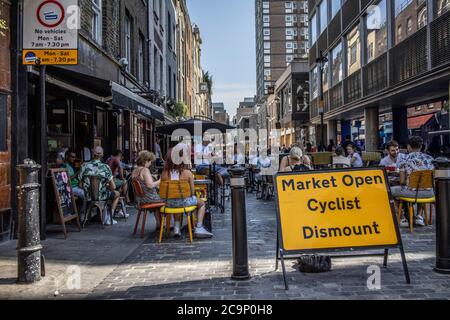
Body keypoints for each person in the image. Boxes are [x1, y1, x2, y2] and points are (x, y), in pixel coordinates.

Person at [161, 147, 213, 239]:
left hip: (168, 204)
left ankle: (177, 228)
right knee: (201, 203)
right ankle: (199, 228)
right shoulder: (187, 173)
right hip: (184, 203)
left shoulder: (164, 173)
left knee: (175, 198)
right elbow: (192, 192)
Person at [391, 136, 435, 227]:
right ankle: (419, 216)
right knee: (422, 186)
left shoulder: (404, 159)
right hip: (429, 193)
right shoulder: (430, 159)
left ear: (409, 147)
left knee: (390, 191)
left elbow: (402, 181)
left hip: (412, 193)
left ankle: (403, 218)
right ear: (421, 146)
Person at [79, 146, 121, 225]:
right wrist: (106, 186)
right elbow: (113, 187)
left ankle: (88, 215)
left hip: (88, 196)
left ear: (92, 154)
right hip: (102, 196)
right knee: (117, 194)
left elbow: (80, 185)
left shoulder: (84, 166)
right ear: (102, 155)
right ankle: (109, 218)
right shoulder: (105, 167)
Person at [131, 151, 162, 229]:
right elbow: (150, 185)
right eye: (150, 161)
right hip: (149, 198)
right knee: (169, 200)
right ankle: (166, 224)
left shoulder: (134, 170)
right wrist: (160, 181)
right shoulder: (145, 170)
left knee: (157, 204)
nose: (150, 164)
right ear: (145, 161)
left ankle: (159, 224)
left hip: (140, 199)